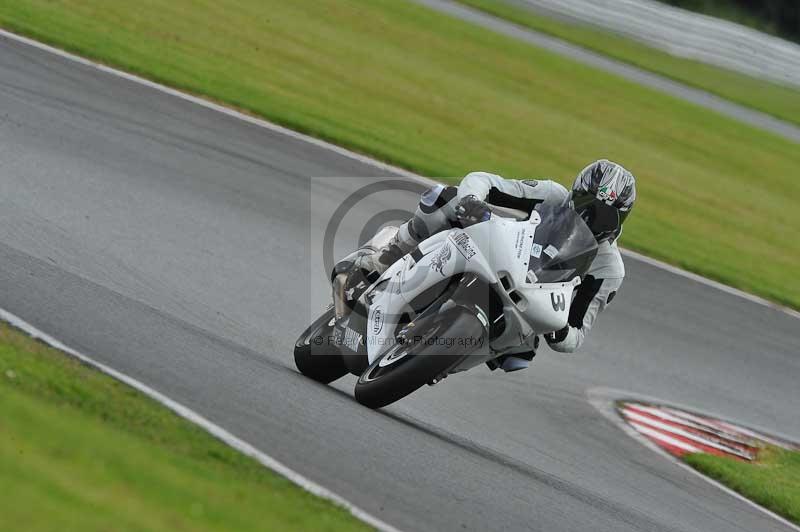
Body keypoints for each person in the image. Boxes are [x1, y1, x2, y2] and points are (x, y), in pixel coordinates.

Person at [358, 160, 636, 372]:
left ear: (619, 223)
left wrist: (560, 331)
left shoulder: (609, 269)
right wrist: (472, 202)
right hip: (503, 255)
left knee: (519, 355)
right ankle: (387, 256)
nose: (590, 217)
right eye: (586, 203)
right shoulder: (552, 195)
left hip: (532, 303)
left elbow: (577, 333)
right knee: (445, 199)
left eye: (605, 218)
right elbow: (485, 181)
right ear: (575, 193)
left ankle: (440, 363)